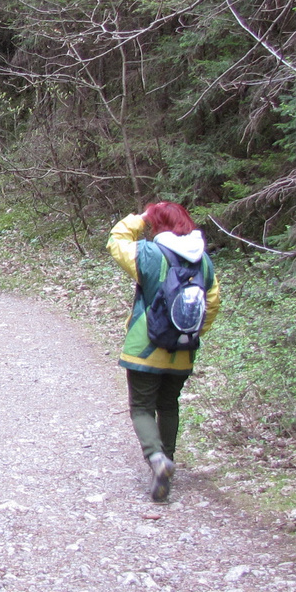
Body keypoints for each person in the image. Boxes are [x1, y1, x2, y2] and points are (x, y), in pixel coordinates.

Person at [107, 202, 221, 503]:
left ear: (156, 224)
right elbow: (212, 304)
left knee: (142, 407)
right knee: (169, 405)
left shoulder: (149, 254)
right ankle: (168, 460)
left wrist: (140, 217)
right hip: (182, 351)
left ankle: (158, 460)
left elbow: (116, 241)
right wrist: (189, 334)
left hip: (145, 348)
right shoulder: (205, 262)